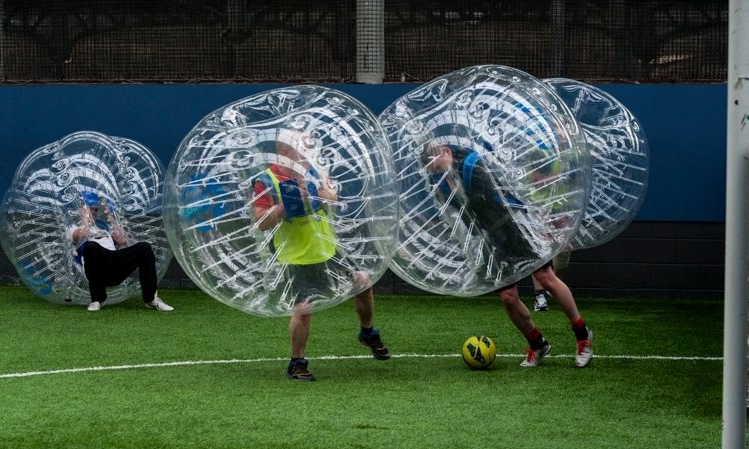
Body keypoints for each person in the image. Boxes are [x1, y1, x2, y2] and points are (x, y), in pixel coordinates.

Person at [421, 141, 593, 368]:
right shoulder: (441, 182)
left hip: (513, 224)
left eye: (437, 166)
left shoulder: (472, 163)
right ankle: (537, 344)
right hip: (490, 235)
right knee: (508, 297)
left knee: (545, 278)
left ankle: (583, 336)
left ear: (446, 153)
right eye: (433, 171)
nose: (437, 172)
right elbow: (461, 216)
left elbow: (487, 198)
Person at [252, 130, 390, 381]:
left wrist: (315, 193)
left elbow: (333, 198)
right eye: (301, 148)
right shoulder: (266, 180)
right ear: (284, 152)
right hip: (294, 256)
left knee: (362, 282)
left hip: (327, 248)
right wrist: (283, 207)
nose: (307, 153)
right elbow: (261, 222)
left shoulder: (314, 170)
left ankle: (368, 332)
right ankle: (296, 362)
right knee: (304, 308)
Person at [69, 191, 173, 312]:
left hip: (114, 263)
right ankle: (97, 299)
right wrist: (85, 217)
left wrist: (110, 216)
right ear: (83, 210)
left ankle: (151, 300)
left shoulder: (104, 229)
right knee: (90, 246)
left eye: (96, 210)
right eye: (90, 209)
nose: (94, 213)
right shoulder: (73, 228)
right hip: (97, 268)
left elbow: (123, 240)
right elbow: (82, 235)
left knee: (144, 247)